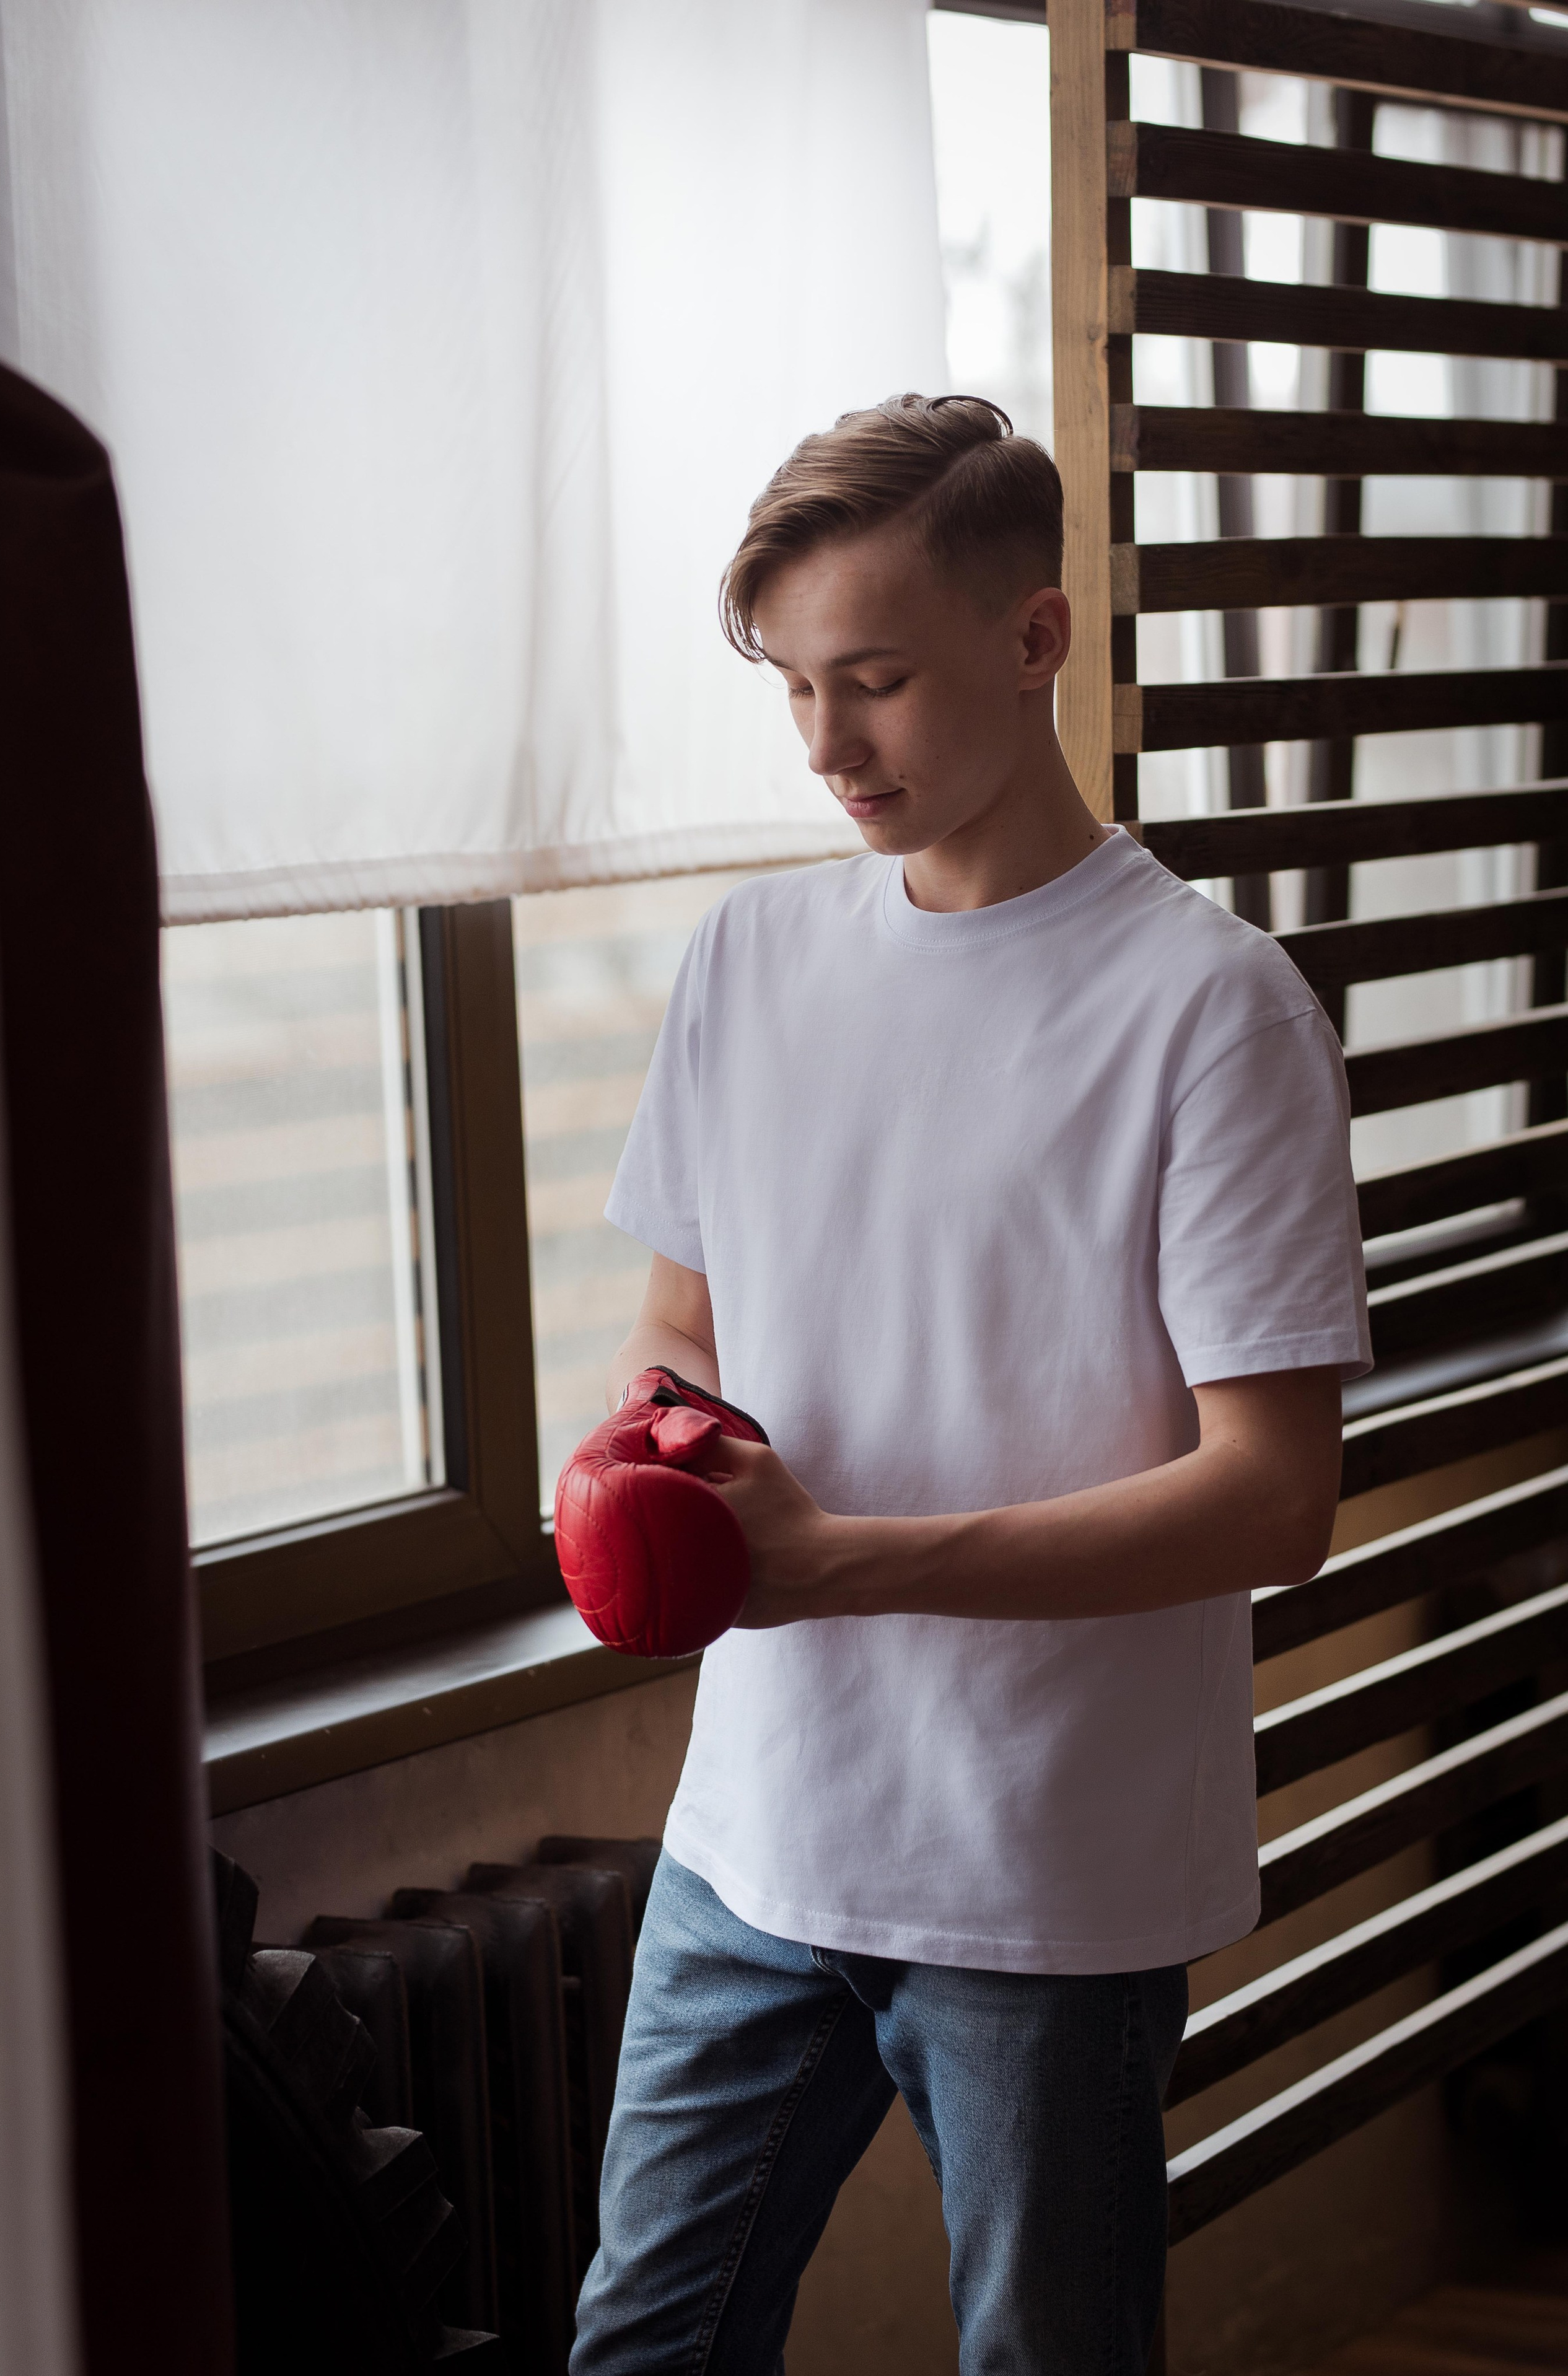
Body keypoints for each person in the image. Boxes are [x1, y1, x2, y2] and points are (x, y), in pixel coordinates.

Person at [569, 393, 1370, 2376]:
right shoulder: (750, 960)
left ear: (1036, 641)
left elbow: (1276, 1495)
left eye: (880, 681)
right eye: (799, 690)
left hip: (1045, 1877)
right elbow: (687, 1318)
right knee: (638, 2354)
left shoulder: (1210, 1009)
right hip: (751, 1837)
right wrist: (640, 1453)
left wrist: (840, 1558)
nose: (831, 746)